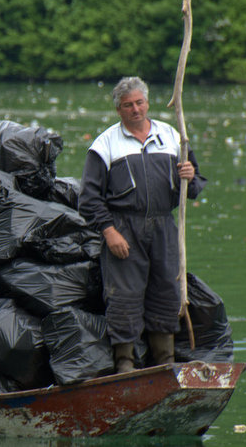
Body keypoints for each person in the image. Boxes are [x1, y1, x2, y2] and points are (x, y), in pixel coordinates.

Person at [78, 77, 207, 373]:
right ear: (118, 110)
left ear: (148, 103)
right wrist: (109, 232)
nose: (135, 109)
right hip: (124, 229)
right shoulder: (105, 144)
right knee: (123, 297)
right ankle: (125, 365)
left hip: (164, 226)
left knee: (166, 292)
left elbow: (197, 183)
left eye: (139, 103)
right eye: (127, 105)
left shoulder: (173, 136)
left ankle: (165, 364)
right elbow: (88, 198)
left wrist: (188, 176)